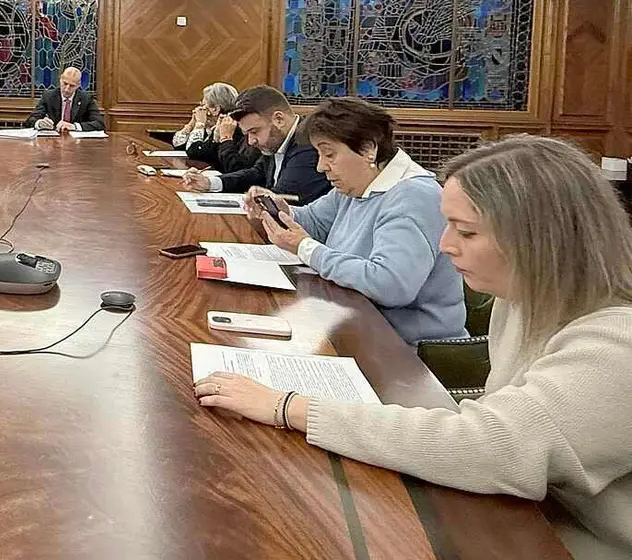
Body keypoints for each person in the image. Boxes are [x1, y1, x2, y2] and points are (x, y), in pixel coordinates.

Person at [194, 135, 632, 560]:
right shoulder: (523, 301)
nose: (444, 245)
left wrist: (288, 406)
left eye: (467, 232)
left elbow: (491, 447)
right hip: (534, 514)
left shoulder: (615, 344)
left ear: (542, 239)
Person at [245, 98, 465, 344]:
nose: (320, 167)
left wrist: (305, 247)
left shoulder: (413, 195)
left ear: (368, 149)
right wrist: (282, 212)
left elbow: (390, 285)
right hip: (352, 323)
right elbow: (315, 223)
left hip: (405, 350)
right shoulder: (355, 186)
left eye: (329, 154)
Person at [183, 85, 330, 205]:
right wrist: (209, 183)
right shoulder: (278, 141)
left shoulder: (308, 144)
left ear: (278, 119)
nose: (251, 141)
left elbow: (282, 198)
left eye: (254, 132)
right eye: (247, 134)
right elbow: (256, 173)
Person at [179, 82, 262, 174]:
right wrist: (192, 124)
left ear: (216, 109)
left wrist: (200, 124)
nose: (198, 110)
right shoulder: (220, 123)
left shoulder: (232, 125)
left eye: (203, 106)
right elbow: (180, 145)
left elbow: (234, 167)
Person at [25, 67, 105, 132]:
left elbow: (100, 124)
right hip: (52, 143)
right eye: (65, 84)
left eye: (72, 86)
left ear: (78, 85)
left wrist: (74, 126)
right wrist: (39, 123)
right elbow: (30, 120)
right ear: (60, 79)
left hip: (78, 145)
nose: (67, 89)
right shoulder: (49, 96)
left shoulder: (86, 99)